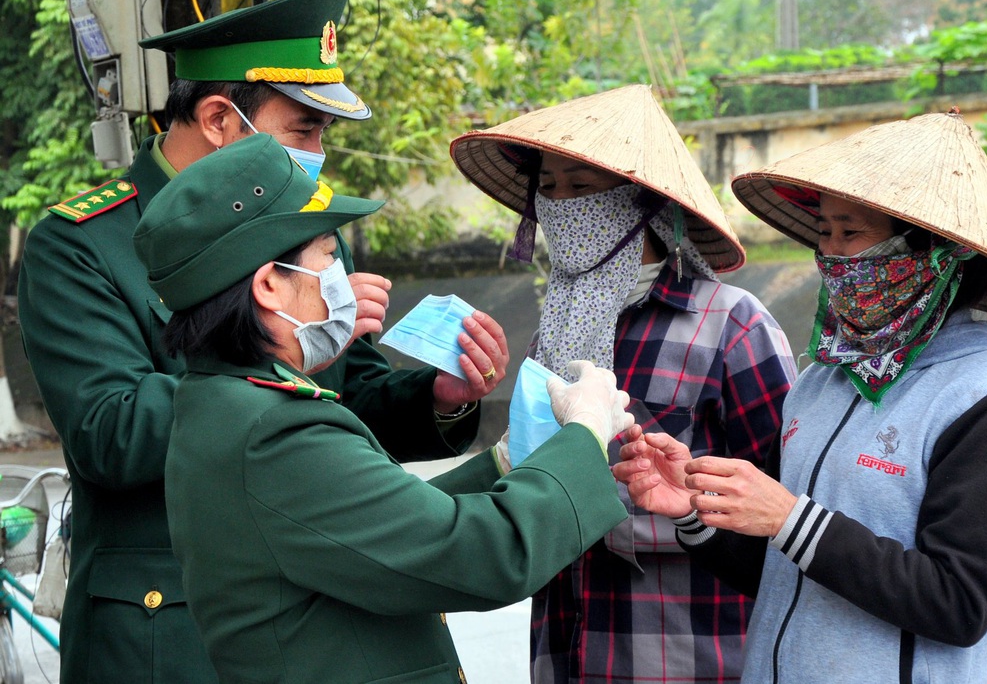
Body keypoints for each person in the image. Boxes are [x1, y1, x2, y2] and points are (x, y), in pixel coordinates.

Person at [17, 0, 506, 681]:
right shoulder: (83, 244)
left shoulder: (304, 227)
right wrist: (268, 352)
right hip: (169, 625)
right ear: (220, 119)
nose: (317, 155)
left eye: (324, 135)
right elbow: (109, 434)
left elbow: (349, 393)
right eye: (302, 132)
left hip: (313, 612)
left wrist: (441, 398)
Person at [131, 132, 634, 683]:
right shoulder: (275, 430)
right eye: (326, 258)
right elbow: (482, 554)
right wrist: (584, 434)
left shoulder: (220, 402)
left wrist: (506, 464)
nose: (340, 280)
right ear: (270, 286)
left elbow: (375, 529)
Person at [612, 110, 987, 683]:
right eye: (823, 232)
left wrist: (789, 516)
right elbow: (785, 567)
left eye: (850, 234)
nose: (830, 255)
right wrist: (695, 514)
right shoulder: (819, 382)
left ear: (934, 254)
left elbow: (959, 603)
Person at [450, 84, 797, 682]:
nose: (560, 204)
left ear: (643, 205)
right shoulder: (554, 333)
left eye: (581, 186)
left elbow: (781, 504)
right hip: (566, 647)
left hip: (686, 653)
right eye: (549, 188)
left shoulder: (732, 326)